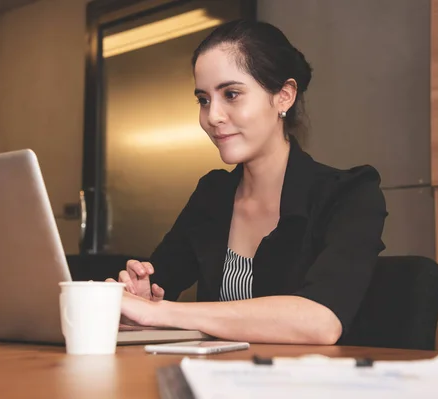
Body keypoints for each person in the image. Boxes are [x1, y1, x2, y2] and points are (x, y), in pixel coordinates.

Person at [106, 19, 387, 345]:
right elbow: (156, 289)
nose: (213, 116)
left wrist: (163, 313)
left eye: (232, 94)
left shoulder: (350, 194)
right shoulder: (213, 195)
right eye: (204, 99)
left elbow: (322, 321)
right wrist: (141, 296)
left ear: (284, 96)